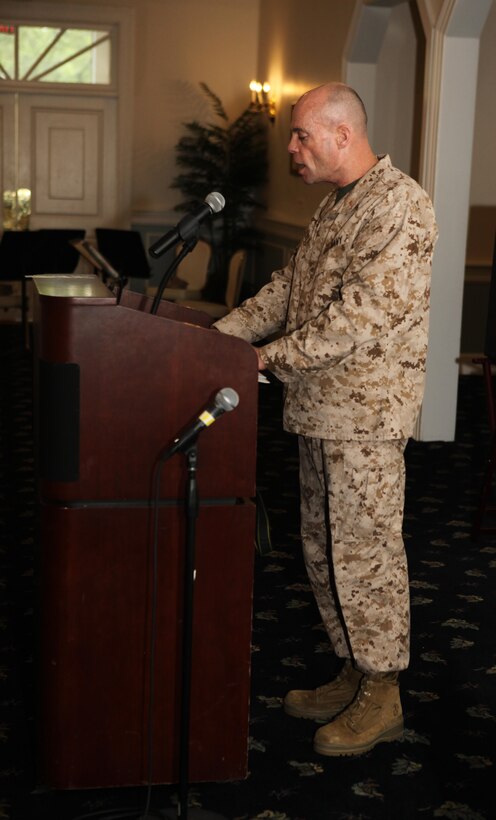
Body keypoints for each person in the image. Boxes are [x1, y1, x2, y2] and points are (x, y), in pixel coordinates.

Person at [213, 82, 438, 757]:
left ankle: (385, 689)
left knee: (365, 556)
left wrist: (260, 361)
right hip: (316, 410)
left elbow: (359, 320)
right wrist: (216, 340)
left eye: (302, 134)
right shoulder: (336, 207)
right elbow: (288, 292)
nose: (291, 148)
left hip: (364, 420)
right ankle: (353, 670)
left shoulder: (400, 207)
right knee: (323, 552)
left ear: (343, 134)